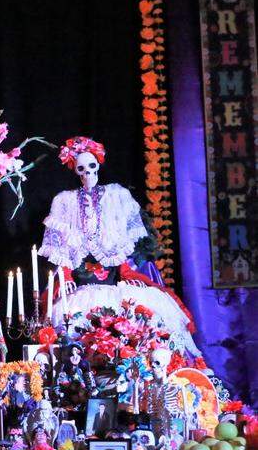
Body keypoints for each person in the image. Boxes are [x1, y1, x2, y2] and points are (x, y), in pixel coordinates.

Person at [39, 137, 197, 355]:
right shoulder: (66, 202)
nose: (87, 174)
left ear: (98, 166)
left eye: (91, 166)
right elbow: (63, 250)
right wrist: (65, 277)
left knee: (146, 308)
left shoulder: (115, 196)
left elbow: (120, 245)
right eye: (81, 169)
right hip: (83, 285)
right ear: (75, 171)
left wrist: (126, 273)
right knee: (70, 317)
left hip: (115, 281)